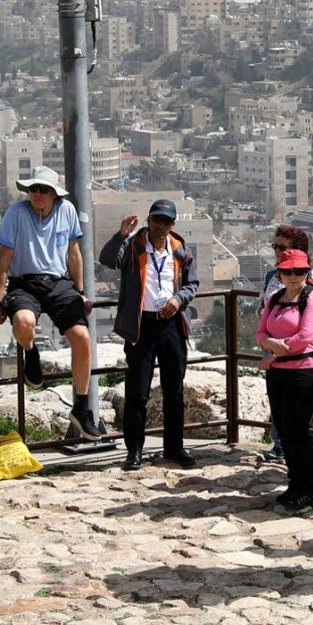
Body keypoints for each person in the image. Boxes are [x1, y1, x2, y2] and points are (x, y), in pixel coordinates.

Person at [0, 168, 99, 448]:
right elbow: (4, 258)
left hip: (58, 282)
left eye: (43, 189)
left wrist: (81, 291)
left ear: (53, 193)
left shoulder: (67, 211)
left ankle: (82, 407)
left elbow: (74, 254)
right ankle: (31, 352)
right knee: (24, 323)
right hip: (24, 282)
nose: (38, 194)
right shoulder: (16, 213)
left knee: (82, 337)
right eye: (34, 189)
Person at [100, 200, 196, 471]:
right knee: (137, 393)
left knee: (174, 390)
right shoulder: (134, 246)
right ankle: (135, 450)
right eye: (156, 220)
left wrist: (179, 299)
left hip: (172, 324)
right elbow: (108, 260)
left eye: (166, 222)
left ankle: (174, 447)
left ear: (172, 225)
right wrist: (121, 235)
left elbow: (192, 283)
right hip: (141, 326)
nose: (160, 226)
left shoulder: (179, 249)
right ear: (148, 220)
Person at [256, 250, 313, 513]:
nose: (294, 276)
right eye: (288, 271)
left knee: (297, 431)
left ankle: (308, 491)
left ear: (307, 272)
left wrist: (273, 352)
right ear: (280, 274)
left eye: (299, 271)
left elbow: (306, 335)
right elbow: (260, 331)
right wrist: (269, 344)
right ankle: (295, 484)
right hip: (279, 372)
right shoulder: (275, 298)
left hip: (306, 371)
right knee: (285, 431)